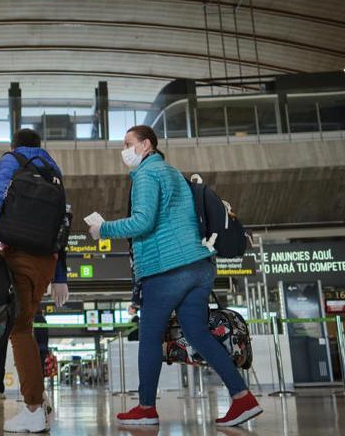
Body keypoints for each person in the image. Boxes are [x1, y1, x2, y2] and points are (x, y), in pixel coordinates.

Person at [86, 125, 262, 427]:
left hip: (167, 269)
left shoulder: (146, 174)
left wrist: (104, 229)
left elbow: (142, 222)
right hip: (200, 266)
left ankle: (145, 409)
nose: (124, 150)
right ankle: (242, 398)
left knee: (150, 338)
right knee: (196, 332)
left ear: (145, 145)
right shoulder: (174, 174)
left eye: (128, 143)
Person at [0, 128, 70, 433]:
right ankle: (40, 401)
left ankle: (32, 407)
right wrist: (60, 276)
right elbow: (63, 223)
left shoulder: (12, 159)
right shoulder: (53, 169)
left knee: (18, 329)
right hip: (46, 260)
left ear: (13, 145)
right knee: (25, 324)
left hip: (17, 254)